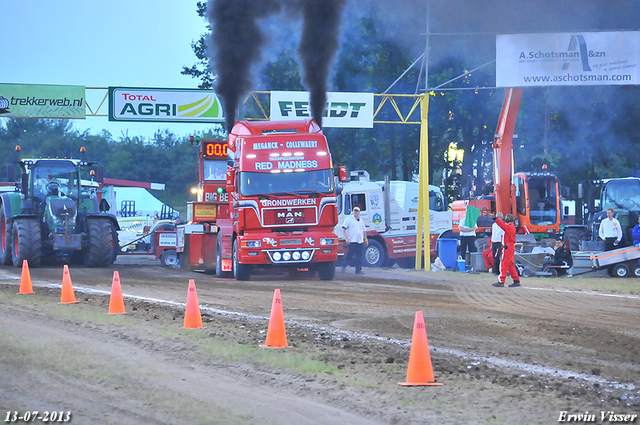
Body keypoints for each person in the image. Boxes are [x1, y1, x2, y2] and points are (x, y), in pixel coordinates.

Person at [492, 213, 521, 288]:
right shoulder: (512, 226)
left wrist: (495, 219)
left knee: (504, 263)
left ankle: (501, 281)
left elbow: (502, 225)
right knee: (510, 265)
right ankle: (516, 280)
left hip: (508, 247)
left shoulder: (509, 227)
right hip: (509, 247)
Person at [341, 206, 368, 275]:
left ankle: (358, 270)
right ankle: (344, 266)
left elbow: (364, 231)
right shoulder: (349, 219)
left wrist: (366, 239)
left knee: (359, 256)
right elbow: (343, 228)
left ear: (359, 212)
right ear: (353, 211)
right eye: (354, 211)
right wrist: (346, 238)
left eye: (357, 211)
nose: (356, 212)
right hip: (352, 240)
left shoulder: (361, 220)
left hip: (360, 241)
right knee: (349, 255)